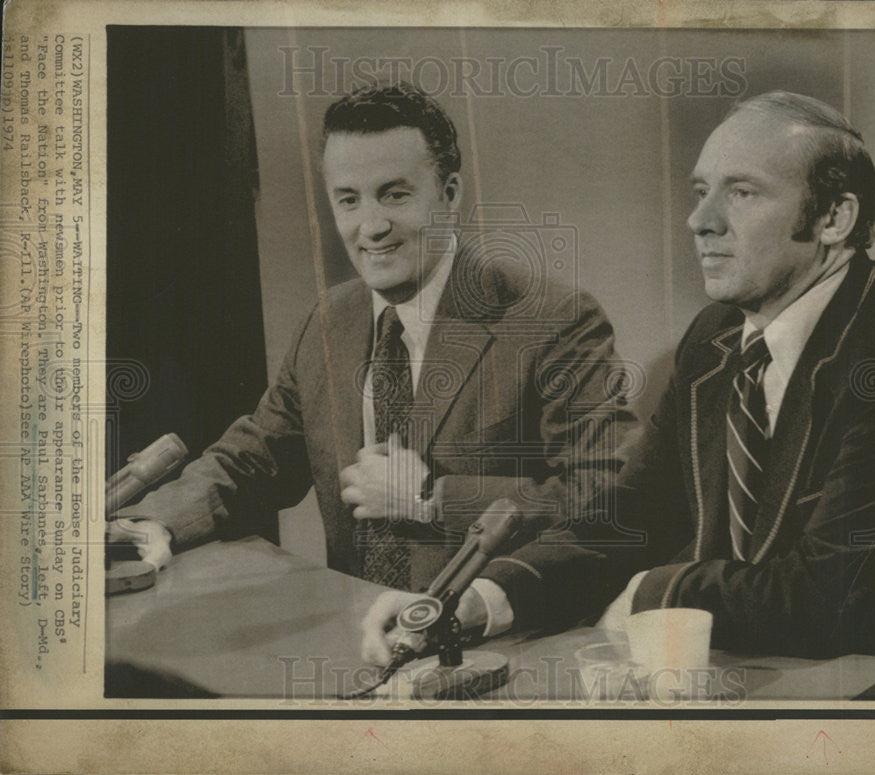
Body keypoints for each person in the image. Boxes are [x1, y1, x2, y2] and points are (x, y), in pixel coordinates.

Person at [362, 91, 875, 700]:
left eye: (742, 193)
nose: (700, 220)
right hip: (735, 679)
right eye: (701, 192)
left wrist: (651, 594)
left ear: (834, 218)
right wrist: (479, 600)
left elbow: (831, 599)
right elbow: (633, 513)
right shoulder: (715, 334)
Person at [110, 82, 634, 634]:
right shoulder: (328, 322)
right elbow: (253, 460)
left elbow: (608, 498)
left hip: (497, 644)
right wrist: (152, 527)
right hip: (363, 637)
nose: (371, 226)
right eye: (348, 199)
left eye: (395, 194)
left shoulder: (553, 318)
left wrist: (431, 498)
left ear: (450, 193)